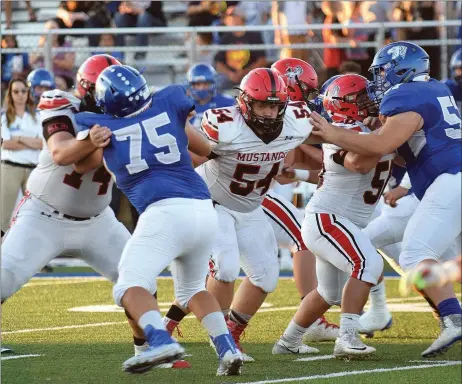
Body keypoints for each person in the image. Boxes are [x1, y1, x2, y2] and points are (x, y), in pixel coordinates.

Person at [75, 64, 243, 375]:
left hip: (163, 212)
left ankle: (159, 339)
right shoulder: (169, 103)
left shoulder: (97, 125)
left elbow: (79, 164)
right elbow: (206, 149)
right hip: (203, 208)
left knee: (129, 284)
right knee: (192, 288)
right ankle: (227, 349)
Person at [309, 41, 462, 358]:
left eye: (381, 71)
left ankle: (453, 318)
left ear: (401, 68)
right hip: (450, 178)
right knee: (444, 255)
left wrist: (331, 133)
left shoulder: (404, 95)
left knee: (414, 255)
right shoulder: (434, 89)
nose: (379, 80)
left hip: (450, 181)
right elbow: (406, 152)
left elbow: (380, 144)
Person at [0, 54, 145, 360]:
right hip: (43, 215)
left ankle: (146, 349)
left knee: (139, 278)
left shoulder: (132, 115)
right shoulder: (62, 105)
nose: (114, 99)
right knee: (3, 277)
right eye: (105, 90)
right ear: (87, 89)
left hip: (97, 220)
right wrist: (92, 140)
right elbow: (62, 153)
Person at [1, 79, 42, 233]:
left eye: (23, 91)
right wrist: (30, 141)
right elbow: (4, 144)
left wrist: (18, 138)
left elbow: (43, 144)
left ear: (28, 93)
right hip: (10, 167)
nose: (20, 95)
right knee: (3, 213)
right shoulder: (4, 117)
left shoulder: (36, 117)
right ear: (10, 94)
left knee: (36, 213)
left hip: (33, 169)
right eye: (16, 91)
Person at [186, 63, 234, 129]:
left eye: (205, 84)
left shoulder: (226, 103)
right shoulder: (184, 106)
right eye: (198, 84)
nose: (201, 88)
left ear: (213, 84)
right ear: (192, 85)